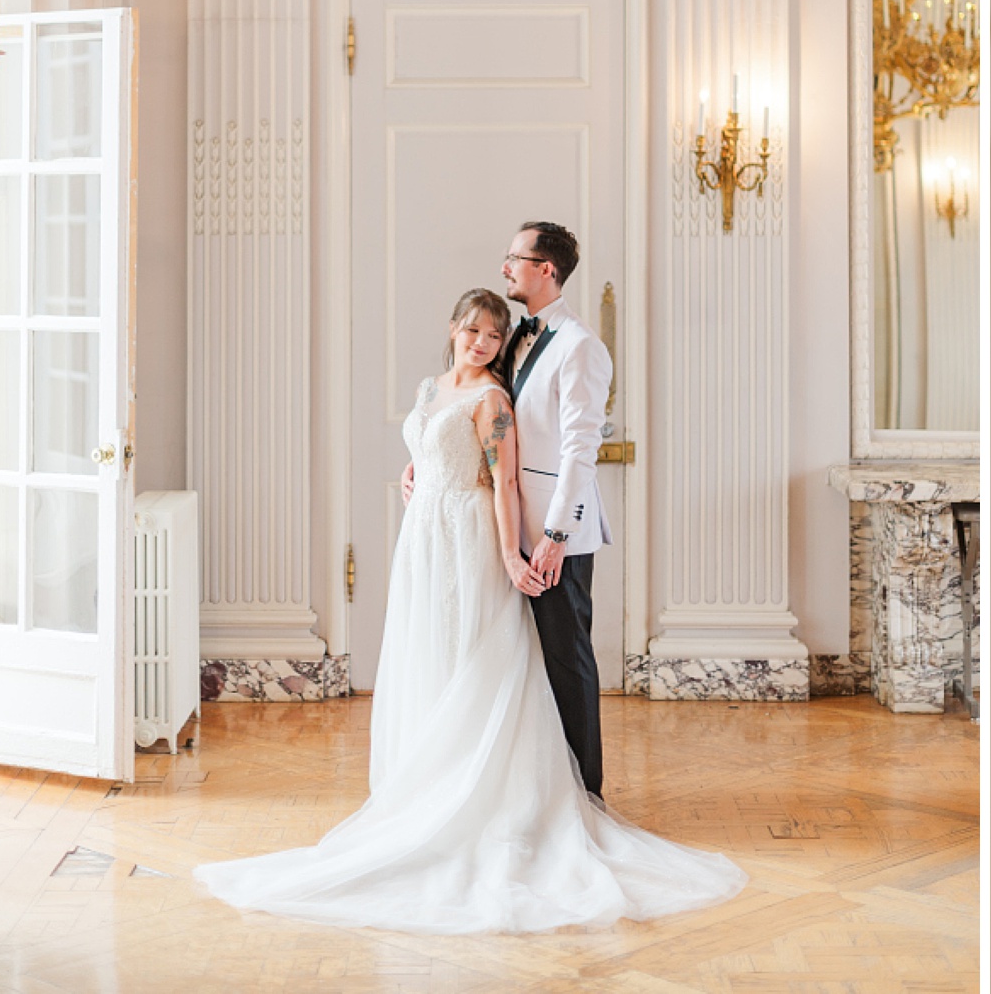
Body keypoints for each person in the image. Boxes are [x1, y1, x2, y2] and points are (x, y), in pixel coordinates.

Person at [193, 288, 744, 933]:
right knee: (426, 650)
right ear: (453, 328)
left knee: (470, 652)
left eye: (493, 336)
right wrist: (415, 470)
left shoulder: (493, 400)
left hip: (466, 537)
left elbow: (504, 481)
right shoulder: (432, 389)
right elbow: (431, 444)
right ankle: (421, 786)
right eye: (473, 331)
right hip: (423, 536)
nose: (481, 344)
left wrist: (512, 555)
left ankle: (480, 797)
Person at [496, 220, 613, 798]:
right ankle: (534, 789)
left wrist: (556, 535)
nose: (504, 267)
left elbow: (579, 450)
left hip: (554, 535)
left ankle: (585, 795)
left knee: (567, 661)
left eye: (515, 257)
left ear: (546, 269)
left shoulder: (580, 345)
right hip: (509, 523)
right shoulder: (514, 337)